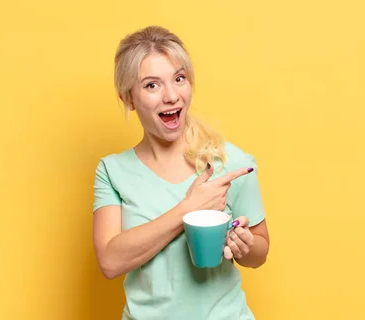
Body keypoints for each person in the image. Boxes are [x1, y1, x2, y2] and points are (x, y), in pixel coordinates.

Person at [92, 25, 270, 320]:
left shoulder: (232, 162)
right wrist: (188, 209)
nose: (171, 96)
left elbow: (260, 253)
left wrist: (244, 247)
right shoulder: (112, 171)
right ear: (129, 99)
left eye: (179, 78)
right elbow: (110, 262)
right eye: (152, 85)